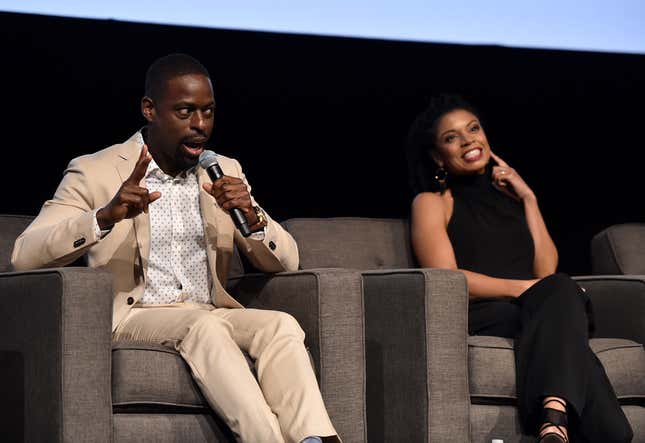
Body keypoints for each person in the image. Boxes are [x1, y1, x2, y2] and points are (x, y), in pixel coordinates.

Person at [11, 53, 338, 443]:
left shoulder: (224, 170)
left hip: (211, 311)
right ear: (150, 109)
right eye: (185, 112)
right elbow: (24, 255)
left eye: (208, 112)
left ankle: (314, 439)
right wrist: (103, 217)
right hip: (135, 316)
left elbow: (288, 260)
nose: (200, 126)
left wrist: (252, 216)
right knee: (201, 328)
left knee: (280, 325)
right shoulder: (96, 170)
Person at [406, 94, 633, 443]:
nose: (468, 140)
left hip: (533, 307)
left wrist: (529, 199)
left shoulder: (513, 201)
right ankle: (555, 416)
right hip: (481, 310)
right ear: (438, 155)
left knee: (614, 431)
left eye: (473, 128)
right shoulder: (432, 203)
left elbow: (546, 269)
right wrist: (525, 289)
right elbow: (447, 279)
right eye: (451, 137)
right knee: (559, 297)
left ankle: (553, 423)